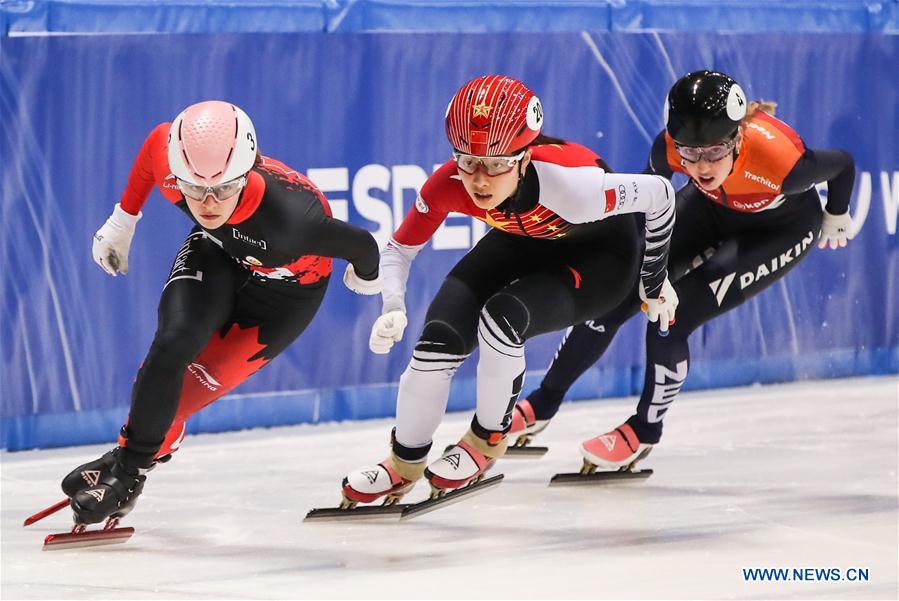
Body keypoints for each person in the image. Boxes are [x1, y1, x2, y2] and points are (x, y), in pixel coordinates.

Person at [340, 74, 678, 506]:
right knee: (438, 336)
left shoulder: (573, 188)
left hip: (599, 258)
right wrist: (393, 304)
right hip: (522, 239)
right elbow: (400, 249)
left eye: (496, 163)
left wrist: (652, 280)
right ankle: (403, 462)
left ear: (523, 158)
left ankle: (485, 441)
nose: (479, 179)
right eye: (467, 160)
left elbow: (661, 194)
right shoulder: (449, 183)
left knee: (502, 318)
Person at [508, 70, 856, 471]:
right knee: (616, 291)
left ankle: (644, 429)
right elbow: (640, 212)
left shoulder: (784, 165)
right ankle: (544, 401)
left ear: (738, 139)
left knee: (676, 315)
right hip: (711, 209)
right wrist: (632, 265)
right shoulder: (669, 148)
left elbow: (843, 164)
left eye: (712, 153)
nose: (701, 166)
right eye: (690, 153)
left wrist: (837, 212)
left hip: (778, 230)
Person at [62, 100, 381, 526]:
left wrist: (371, 283)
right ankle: (128, 475)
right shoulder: (173, 164)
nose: (209, 203)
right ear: (178, 175)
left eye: (225, 188)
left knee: (175, 404)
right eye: (194, 190)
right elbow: (155, 141)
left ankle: (127, 455)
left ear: (248, 171)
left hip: (285, 297)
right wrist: (124, 219)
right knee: (172, 345)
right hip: (219, 252)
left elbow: (363, 246)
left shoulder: (291, 220)